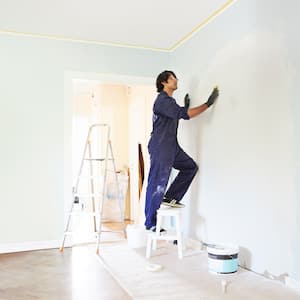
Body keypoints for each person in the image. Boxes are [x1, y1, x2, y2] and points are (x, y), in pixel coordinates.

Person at [144, 70, 219, 231]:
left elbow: (178, 113)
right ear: (164, 82)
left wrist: (184, 107)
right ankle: (150, 223)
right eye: (172, 78)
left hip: (172, 146)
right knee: (157, 183)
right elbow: (184, 115)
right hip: (161, 146)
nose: (176, 80)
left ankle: (171, 196)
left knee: (190, 167)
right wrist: (208, 104)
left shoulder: (169, 102)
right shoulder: (162, 100)